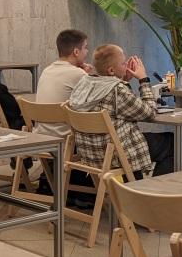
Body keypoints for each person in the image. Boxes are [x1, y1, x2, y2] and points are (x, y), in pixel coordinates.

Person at [68, 45, 173, 177]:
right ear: (111, 70)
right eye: (123, 63)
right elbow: (150, 113)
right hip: (116, 154)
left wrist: (123, 79)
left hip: (90, 153)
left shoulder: (84, 83)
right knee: (172, 142)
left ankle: (133, 182)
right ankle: (152, 188)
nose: (126, 66)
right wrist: (143, 80)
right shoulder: (118, 90)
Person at [34, 29, 93, 138]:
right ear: (76, 52)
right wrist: (85, 75)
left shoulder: (47, 70)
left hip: (40, 136)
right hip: (65, 139)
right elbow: (93, 105)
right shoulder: (78, 74)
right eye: (85, 47)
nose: (87, 52)